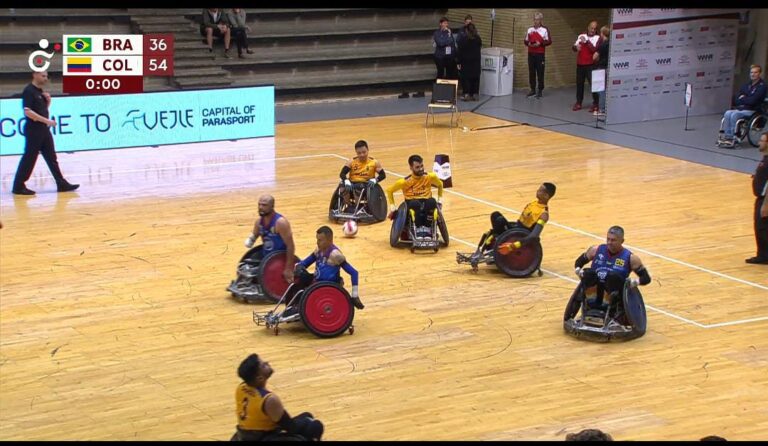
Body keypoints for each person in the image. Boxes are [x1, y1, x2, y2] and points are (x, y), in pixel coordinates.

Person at [12, 71, 79, 196]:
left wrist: (47, 102)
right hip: (34, 130)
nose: (45, 78)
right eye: (43, 76)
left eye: (46, 76)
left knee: (51, 157)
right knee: (30, 157)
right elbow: (28, 112)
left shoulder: (40, 92)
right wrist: (47, 121)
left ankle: (61, 183)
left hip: (43, 130)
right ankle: (18, 185)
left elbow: (41, 110)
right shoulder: (29, 91)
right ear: (35, 75)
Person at [463, 183, 556, 270]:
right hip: (516, 227)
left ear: (546, 196)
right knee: (495, 215)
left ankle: (495, 251)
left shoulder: (544, 214)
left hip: (520, 234)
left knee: (499, 221)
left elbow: (534, 235)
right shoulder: (534, 203)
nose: (537, 191)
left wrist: (513, 246)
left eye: (540, 190)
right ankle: (487, 249)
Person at [232, 353, 324, 441]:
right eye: (264, 365)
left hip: (244, 434)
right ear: (259, 378)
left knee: (307, 416)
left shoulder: (241, 387)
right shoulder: (269, 399)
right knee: (315, 426)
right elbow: (290, 427)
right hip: (262, 437)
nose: (267, 363)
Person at [288, 226, 364, 310]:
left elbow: (354, 273)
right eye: (317, 239)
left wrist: (355, 295)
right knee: (299, 278)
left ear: (329, 240)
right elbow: (305, 263)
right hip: (317, 282)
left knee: (303, 289)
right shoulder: (318, 250)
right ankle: (293, 306)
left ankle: (299, 306)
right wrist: (298, 266)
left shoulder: (335, 255)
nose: (317, 242)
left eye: (320, 240)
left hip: (327, 287)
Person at [573, 226, 651, 308]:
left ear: (622, 241)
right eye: (608, 239)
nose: (609, 242)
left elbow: (646, 278)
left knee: (612, 276)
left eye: (613, 240)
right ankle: (591, 302)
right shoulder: (595, 250)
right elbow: (579, 262)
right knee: (588, 272)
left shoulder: (631, 258)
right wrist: (578, 270)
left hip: (614, 290)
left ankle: (606, 304)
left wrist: (633, 283)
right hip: (595, 287)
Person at [386, 154, 444, 238]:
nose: (421, 169)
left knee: (432, 202)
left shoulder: (430, 177)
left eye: (422, 166)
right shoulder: (404, 182)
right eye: (417, 167)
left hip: (426, 201)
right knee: (415, 203)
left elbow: (440, 184)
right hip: (412, 202)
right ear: (411, 168)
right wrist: (392, 206)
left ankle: (428, 228)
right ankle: (417, 229)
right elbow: (389, 190)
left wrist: (440, 200)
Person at [243, 194, 296, 284]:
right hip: (266, 258)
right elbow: (254, 236)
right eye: (259, 204)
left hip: (279, 258)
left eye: (264, 205)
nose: (260, 207)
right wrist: (251, 239)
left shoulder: (280, 223)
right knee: (245, 267)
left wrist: (288, 268)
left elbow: (291, 246)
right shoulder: (259, 222)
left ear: (272, 206)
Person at [718, 64, 766, 148]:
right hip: (742, 108)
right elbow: (736, 99)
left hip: (752, 110)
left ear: (759, 73)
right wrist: (746, 98)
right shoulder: (746, 85)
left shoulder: (762, 86)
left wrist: (743, 98)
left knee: (735, 115)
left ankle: (735, 138)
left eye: (755, 72)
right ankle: (728, 137)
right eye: (751, 72)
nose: (753, 74)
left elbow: (753, 101)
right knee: (727, 113)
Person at [338, 140, 386, 211]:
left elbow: (383, 175)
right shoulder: (351, 162)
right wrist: (346, 180)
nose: (362, 155)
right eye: (359, 153)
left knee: (358, 186)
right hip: (352, 183)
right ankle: (349, 205)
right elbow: (342, 174)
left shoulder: (374, 162)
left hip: (366, 184)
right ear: (356, 152)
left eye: (364, 152)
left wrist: (375, 180)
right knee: (342, 184)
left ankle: (356, 208)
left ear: (368, 150)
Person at [746, 131, 768, 264]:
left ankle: (764, 256)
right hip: (760, 198)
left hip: (764, 200)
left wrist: (766, 204)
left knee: (763, 228)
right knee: (760, 228)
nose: (759, 142)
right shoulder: (764, 160)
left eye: (762, 141)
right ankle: (762, 254)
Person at [571, 21, 602, 112]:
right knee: (579, 84)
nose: (593, 30)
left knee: (593, 85)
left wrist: (587, 41)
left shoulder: (598, 38)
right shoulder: (581, 35)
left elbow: (595, 50)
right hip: (580, 64)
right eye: (591, 28)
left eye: (595, 29)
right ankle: (578, 102)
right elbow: (574, 47)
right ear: (588, 27)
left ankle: (596, 103)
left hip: (591, 65)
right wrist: (575, 48)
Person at [524, 12, 552, 99]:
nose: (536, 21)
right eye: (534, 19)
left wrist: (540, 43)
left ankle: (540, 90)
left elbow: (549, 41)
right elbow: (525, 41)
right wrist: (529, 44)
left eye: (537, 20)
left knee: (540, 72)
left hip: (540, 54)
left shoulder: (544, 29)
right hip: (531, 54)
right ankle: (532, 89)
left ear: (540, 20)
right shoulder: (530, 29)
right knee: (531, 72)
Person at [457, 23, 482, 102]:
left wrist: (458, 62)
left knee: (466, 78)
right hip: (476, 62)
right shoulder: (478, 39)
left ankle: (467, 94)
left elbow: (459, 52)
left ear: (466, 30)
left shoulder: (463, 40)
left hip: (466, 62)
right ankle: (475, 94)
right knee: (475, 78)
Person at [594, 25, 610, 115]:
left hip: (602, 67)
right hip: (609, 68)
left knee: (601, 90)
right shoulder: (611, 44)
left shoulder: (602, 45)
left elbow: (594, 57)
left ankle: (602, 109)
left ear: (602, 34)